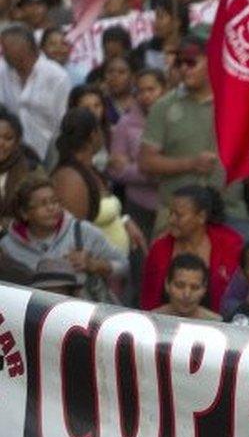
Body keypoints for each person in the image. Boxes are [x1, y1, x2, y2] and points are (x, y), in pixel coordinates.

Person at [139, 31, 249, 238]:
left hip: (230, 215)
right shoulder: (163, 107)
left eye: (191, 62)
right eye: (180, 63)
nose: (184, 69)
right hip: (176, 219)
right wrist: (190, 164)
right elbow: (146, 163)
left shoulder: (239, 106)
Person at [1, 176, 128, 290]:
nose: (52, 208)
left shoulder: (82, 232)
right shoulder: (7, 247)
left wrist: (94, 265)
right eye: (43, 204)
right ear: (24, 213)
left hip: (80, 312)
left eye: (55, 201)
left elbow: (123, 265)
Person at [50, 108, 143, 254]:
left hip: (112, 266)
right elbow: (71, 238)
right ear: (94, 135)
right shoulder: (71, 179)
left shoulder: (91, 169)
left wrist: (125, 221)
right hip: (95, 270)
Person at [141, 185, 243, 311]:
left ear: (201, 217)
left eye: (178, 215)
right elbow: (148, 301)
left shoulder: (230, 244)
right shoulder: (159, 249)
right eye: (170, 213)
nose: (171, 220)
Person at [108, 68, 167, 239]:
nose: (146, 95)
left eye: (151, 89)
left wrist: (141, 166)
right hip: (138, 206)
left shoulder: (176, 119)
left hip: (170, 206)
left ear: (164, 89)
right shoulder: (126, 124)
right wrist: (150, 172)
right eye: (141, 91)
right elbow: (115, 169)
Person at [0, 24, 71, 162]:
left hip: (48, 155)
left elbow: (62, 123)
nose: (3, 53)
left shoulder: (57, 77)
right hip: (10, 157)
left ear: (22, 50)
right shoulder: (2, 72)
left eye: (6, 48)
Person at [0, 109, 44, 231]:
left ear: (17, 142)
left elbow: (41, 214)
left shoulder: (32, 172)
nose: (1, 143)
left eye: (8, 138)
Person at [153, 253, 221, 321]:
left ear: (204, 289)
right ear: (167, 284)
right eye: (180, 286)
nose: (187, 294)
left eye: (194, 287)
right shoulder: (152, 319)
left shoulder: (216, 324)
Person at [101, 56, 136, 124]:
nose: (115, 77)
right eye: (110, 72)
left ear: (132, 77)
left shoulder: (141, 100)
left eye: (121, 72)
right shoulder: (101, 103)